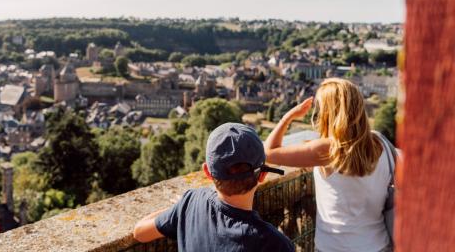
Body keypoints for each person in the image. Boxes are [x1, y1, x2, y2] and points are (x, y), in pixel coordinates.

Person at [264, 78, 395, 252]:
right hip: (379, 245)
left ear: (328, 112)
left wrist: (288, 117)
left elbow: (268, 152)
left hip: (335, 247)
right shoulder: (381, 142)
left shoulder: (328, 149)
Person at [132, 122, 295, 252]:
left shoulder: (191, 201)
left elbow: (139, 232)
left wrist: (180, 207)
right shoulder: (274, 244)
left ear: (207, 173)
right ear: (262, 175)